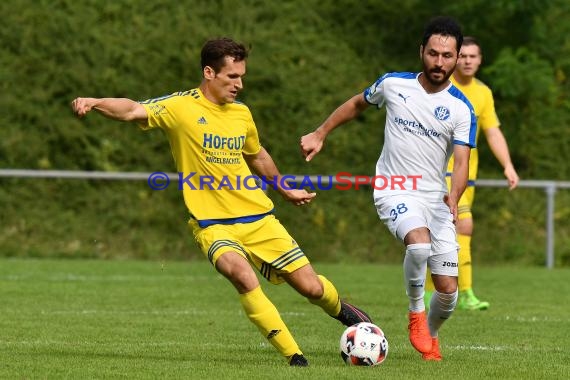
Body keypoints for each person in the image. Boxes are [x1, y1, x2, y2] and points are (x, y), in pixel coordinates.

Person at [71, 37, 373, 367]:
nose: (239, 84)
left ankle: (349, 315)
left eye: (242, 76)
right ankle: (294, 357)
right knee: (243, 276)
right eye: (232, 77)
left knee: (312, 289)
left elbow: (257, 155)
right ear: (209, 73)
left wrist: (285, 190)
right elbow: (131, 109)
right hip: (211, 225)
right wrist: (94, 100)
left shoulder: (241, 114)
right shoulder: (180, 107)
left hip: (258, 218)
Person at [300, 17, 476, 361]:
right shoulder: (394, 84)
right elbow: (355, 105)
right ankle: (414, 314)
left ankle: (431, 333)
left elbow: (462, 162)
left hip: (435, 198)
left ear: (456, 59)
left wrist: (454, 198)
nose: (439, 63)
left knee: (449, 293)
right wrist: (320, 132)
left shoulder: (461, 108)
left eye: (447, 56)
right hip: (394, 188)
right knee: (420, 245)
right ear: (421, 51)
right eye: (433, 54)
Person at [424, 36, 520, 311]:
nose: (467, 61)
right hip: (438, 172)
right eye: (462, 55)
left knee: (445, 231)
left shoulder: (483, 93)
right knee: (462, 225)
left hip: (467, 176)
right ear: (454, 58)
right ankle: (463, 292)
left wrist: (508, 165)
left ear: (479, 60)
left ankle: (436, 291)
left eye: (472, 56)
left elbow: (492, 131)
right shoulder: (440, 86)